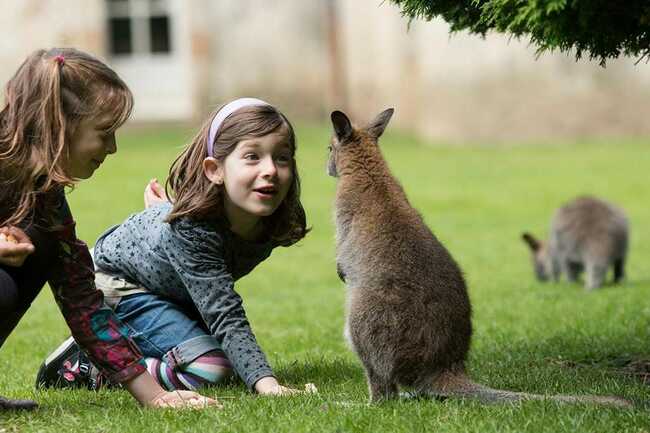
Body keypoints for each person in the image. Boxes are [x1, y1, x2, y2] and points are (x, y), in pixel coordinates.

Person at [38, 98, 309, 395]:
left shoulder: (272, 219)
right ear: (215, 170)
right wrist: (267, 384)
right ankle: (93, 362)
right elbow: (224, 313)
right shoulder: (192, 229)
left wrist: (160, 215)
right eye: (252, 157)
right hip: (116, 284)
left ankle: (119, 343)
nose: (270, 169)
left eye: (282, 157)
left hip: (167, 293)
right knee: (210, 368)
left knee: (230, 359)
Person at [0, 48, 218, 410]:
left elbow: (83, 301)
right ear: (60, 124)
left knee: (43, 247)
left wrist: (156, 396)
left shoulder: (45, 199)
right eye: (104, 133)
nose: (113, 147)